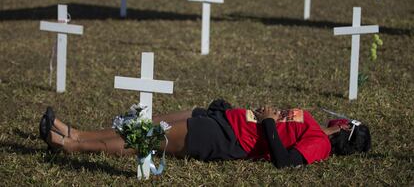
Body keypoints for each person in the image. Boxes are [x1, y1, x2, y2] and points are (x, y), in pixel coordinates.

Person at [39, 99, 371, 168]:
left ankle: (71, 146)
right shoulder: (313, 125)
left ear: (345, 129)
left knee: (153, 138)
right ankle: (77, 132)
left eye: (347, 121)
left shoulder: (319, 145)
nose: (341, 119)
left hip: (226, 140)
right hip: (226, 119)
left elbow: (284, 161)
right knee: (150, 124)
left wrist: (268, 122)